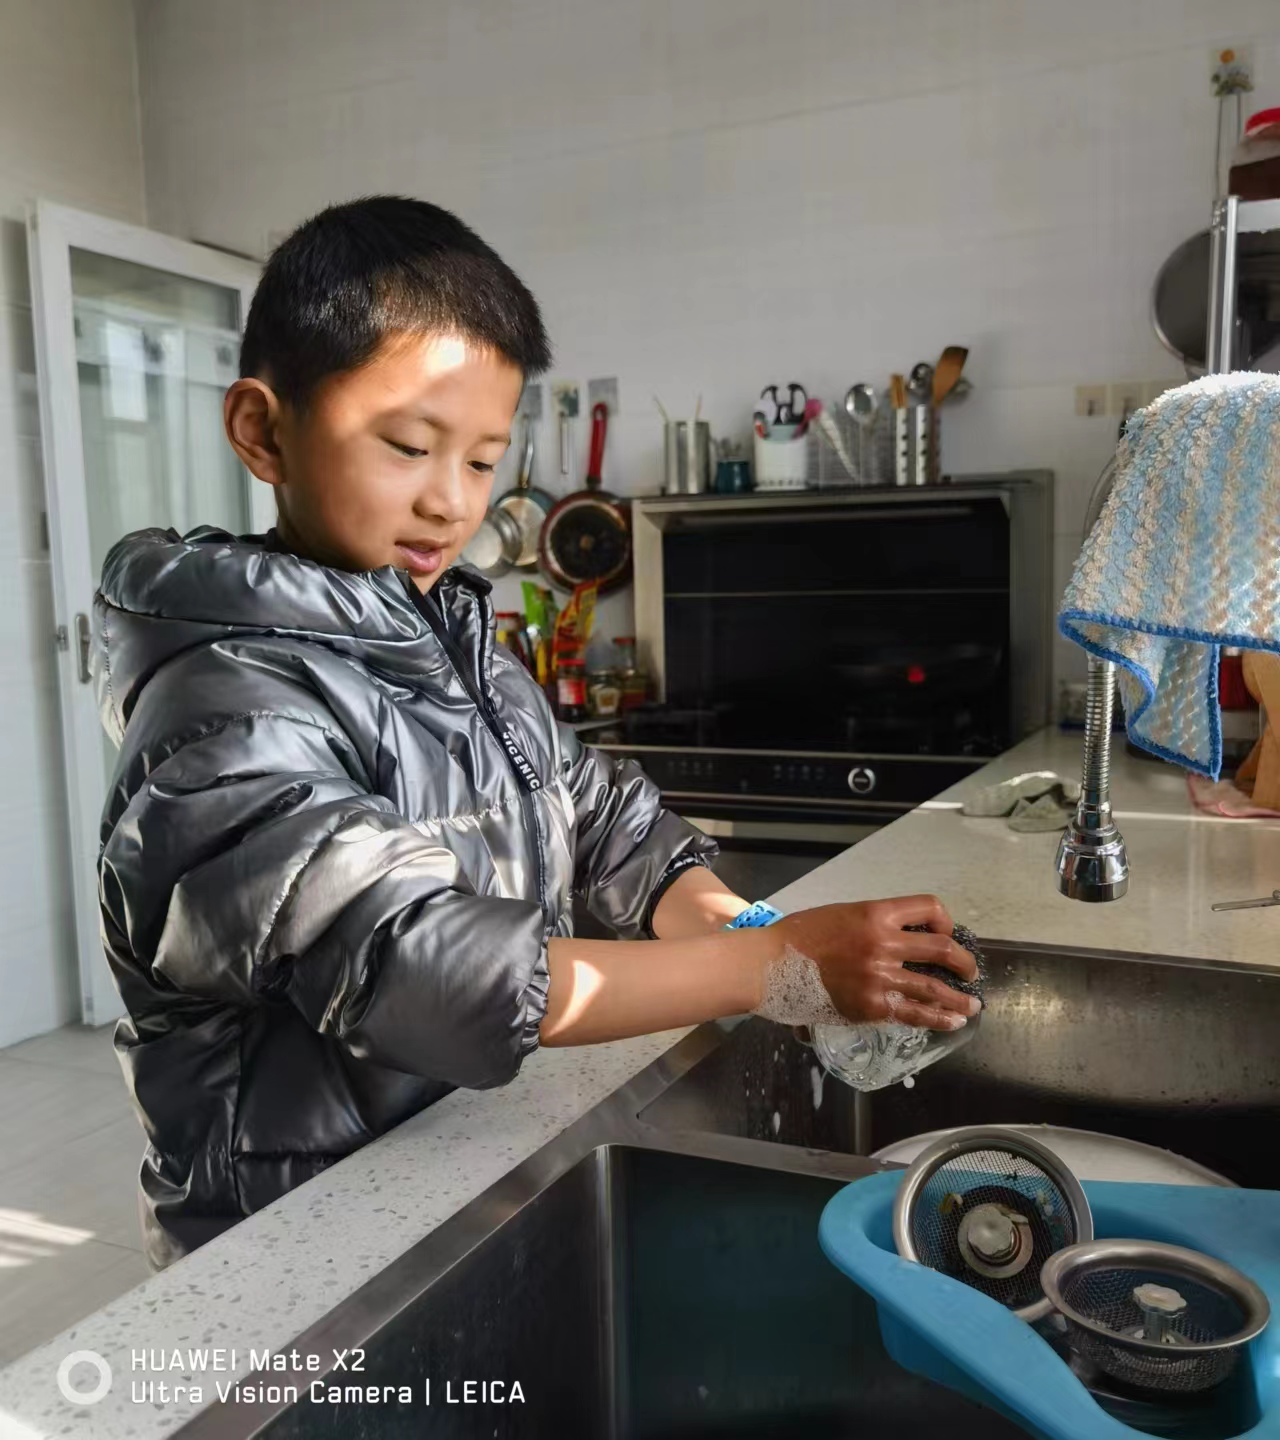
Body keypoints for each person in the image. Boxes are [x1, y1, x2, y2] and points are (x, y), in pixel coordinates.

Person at [93, 196, 978, 1270]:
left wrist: (750, 934)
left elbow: (610, 828)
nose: (449, 504)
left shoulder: (453, 643)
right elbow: (417, 965)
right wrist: (767, 968)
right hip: (292, 1251)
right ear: (262, 430)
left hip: (456, 1180)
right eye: (408, 446)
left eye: (481, 462)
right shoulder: (222, 707)